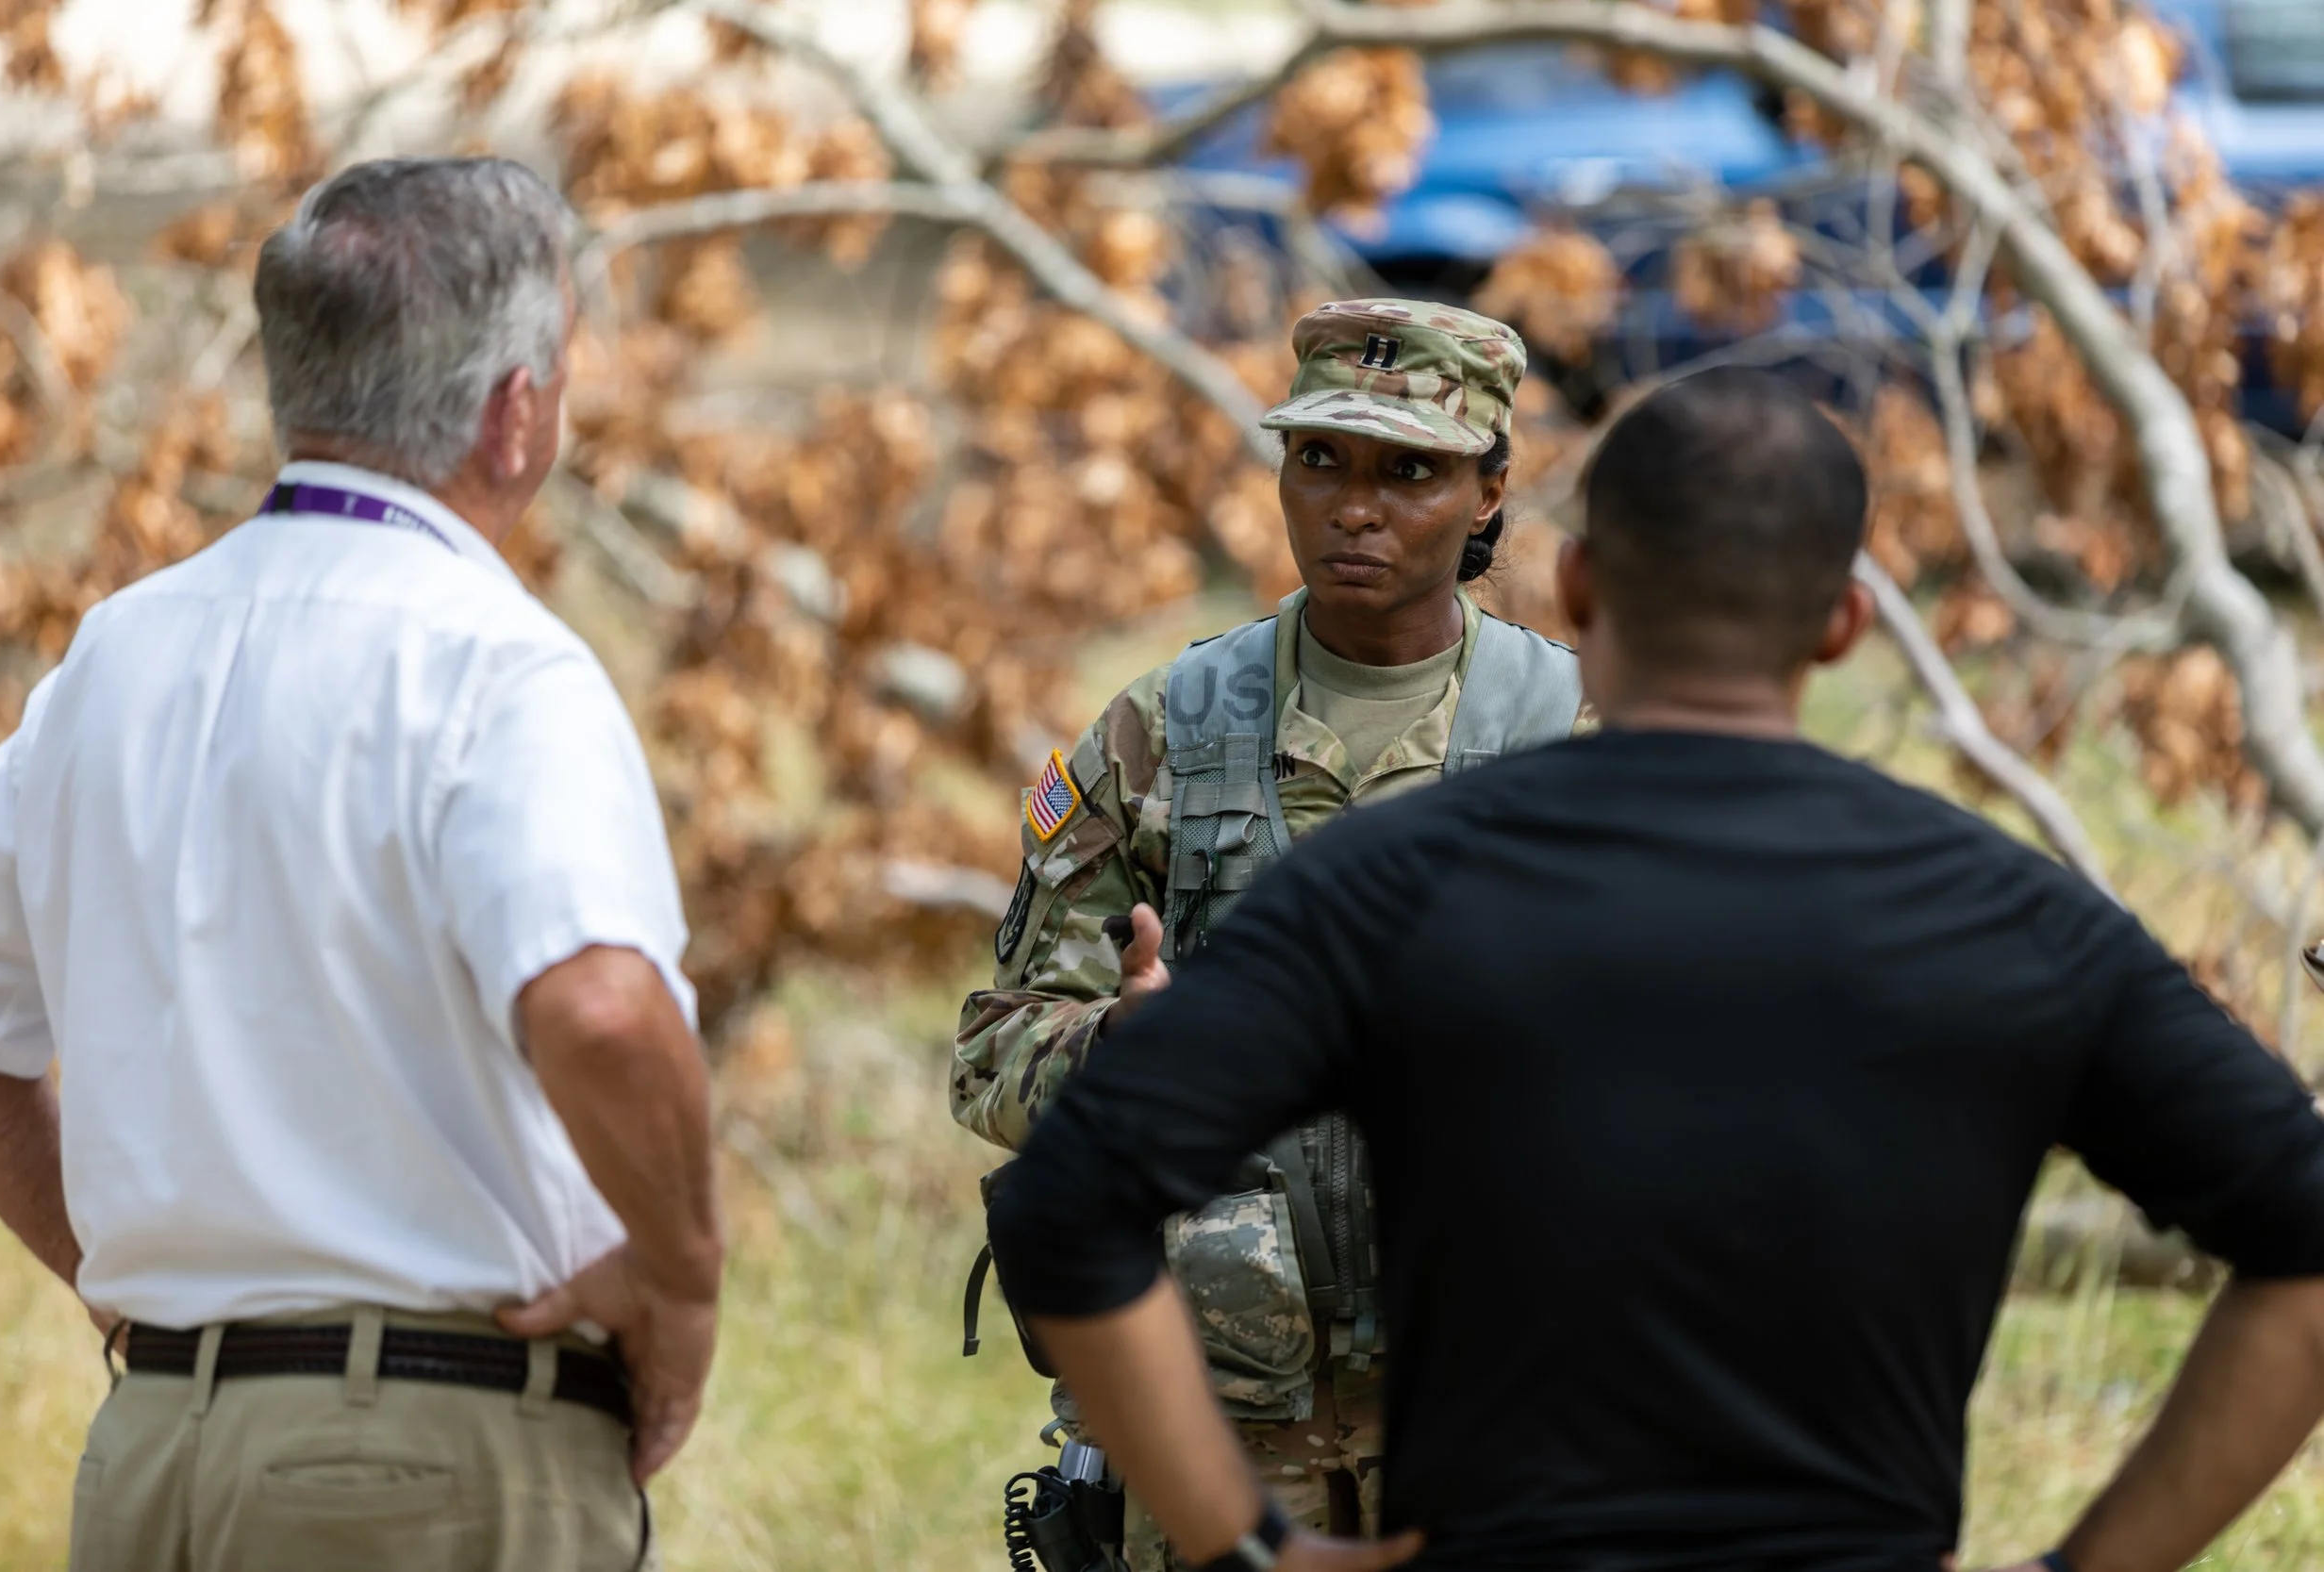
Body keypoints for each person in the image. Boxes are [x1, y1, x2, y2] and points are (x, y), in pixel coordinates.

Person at [987, 366, 2324, 1572]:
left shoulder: (1384, 887)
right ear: (1848, 623)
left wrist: (1251, 1550)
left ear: (1575, 584)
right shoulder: (2013, 915)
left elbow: (1065, 1206)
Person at [0, 157, 719, 1572]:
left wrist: (136, 1282)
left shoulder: (114, 658)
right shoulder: (495, 666)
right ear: (515, 414)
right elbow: (606, 1011)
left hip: (155, 1453)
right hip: (428, 1457)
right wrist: (680, 1281)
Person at [954, 299, 1582, 1567]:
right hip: (1213, 1430)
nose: (1356, 506)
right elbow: (991, 1052)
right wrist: (1122, 1046)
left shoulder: (1580, 740)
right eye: (1322, 461)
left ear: (1489, 490)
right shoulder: (1164, 732)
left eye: (1411, 470)